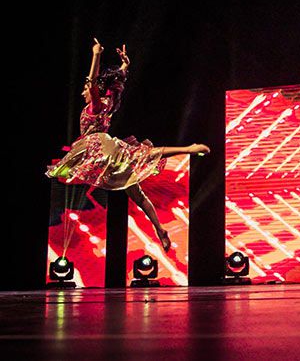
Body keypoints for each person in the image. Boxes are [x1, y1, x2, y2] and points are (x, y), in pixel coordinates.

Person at [47, 38, 210, 251]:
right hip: (103, 151)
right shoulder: (107, 103)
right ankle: (160, 229)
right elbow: (104, 84)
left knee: (141, 156)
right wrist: (124, 66)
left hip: (99, 149)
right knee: (138, 194)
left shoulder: (96, 106)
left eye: (85, 90)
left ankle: (189, 149)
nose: (83, 92)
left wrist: (96, 54)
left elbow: (93, 81)